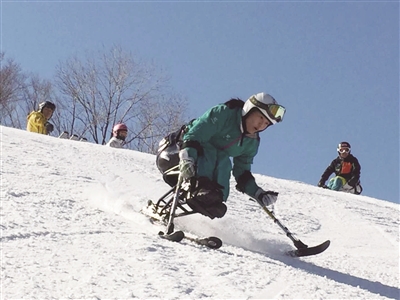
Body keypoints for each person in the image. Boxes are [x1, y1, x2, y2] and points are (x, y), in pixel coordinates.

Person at [156, 92, 286, 219]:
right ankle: (200, 188)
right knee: (212, 152)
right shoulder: (224, 114)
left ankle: (213, 196)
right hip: (174, 153)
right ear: (250, 110)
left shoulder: (251, 142)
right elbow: (194, 135)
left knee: (224, 163)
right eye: (261, 118)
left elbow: (242, 172)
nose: (261, 125)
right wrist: (187, 158)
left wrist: (258, 193)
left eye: (266, 124)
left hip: (201, 167)